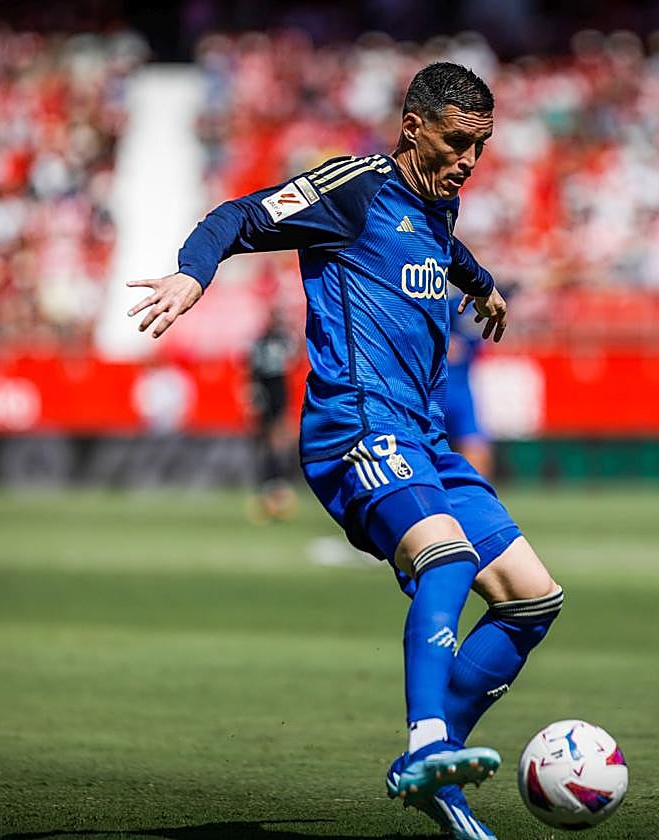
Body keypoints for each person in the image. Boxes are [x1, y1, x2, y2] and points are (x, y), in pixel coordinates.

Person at [128, 62, 562, 840]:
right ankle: (426, 742)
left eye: (481, 148)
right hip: (355, 424)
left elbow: (441, 248)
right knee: (448, 557)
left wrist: (483, 283)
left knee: (533, 598)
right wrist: (194, 278)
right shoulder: (352, 187)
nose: (469, 161)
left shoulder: (440, 197)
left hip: (422, 434)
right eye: (458, 142)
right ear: (414, 127)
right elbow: (237, 214)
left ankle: (437, 768)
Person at [247, 306, 299, 522]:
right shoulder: (276, 341)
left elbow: (252, 371)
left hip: (274, 393)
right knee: (271, 444)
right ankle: (274, 491)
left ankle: (276, 490)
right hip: (272, 393)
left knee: (273, 444)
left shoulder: (269, 341)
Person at [445, 289, 494, 479]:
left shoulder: (469, 301)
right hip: (428, 392)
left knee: (475, 448)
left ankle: (478, 502)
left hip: (459, 389)